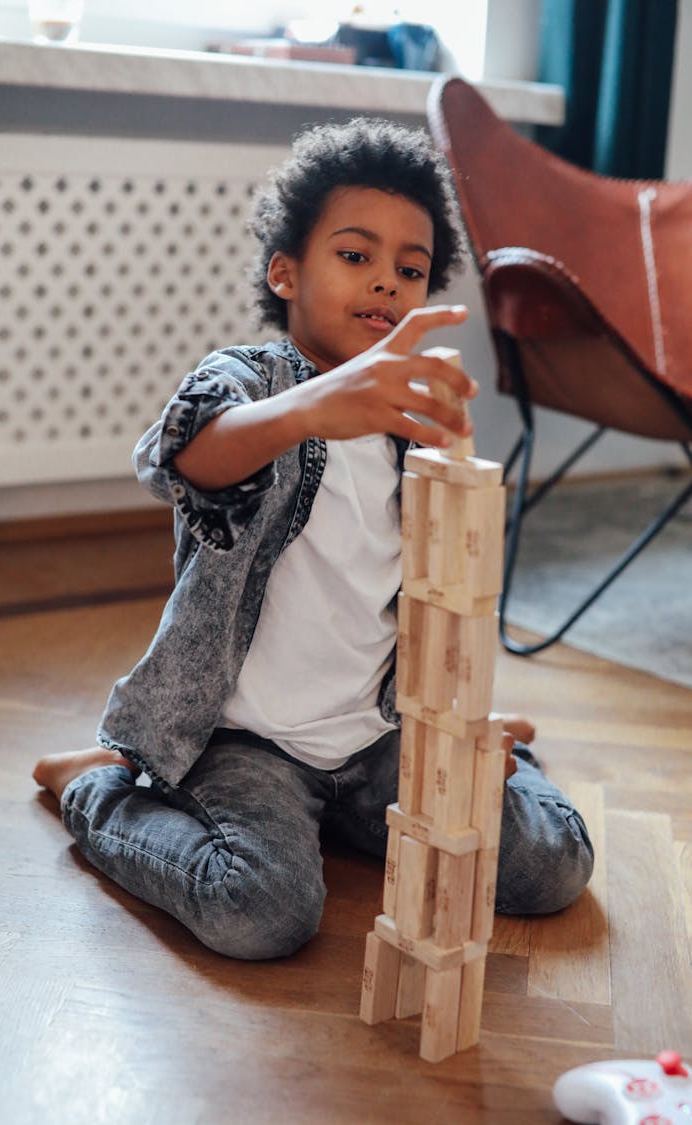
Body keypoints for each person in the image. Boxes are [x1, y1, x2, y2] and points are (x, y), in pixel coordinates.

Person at [33, 118, 594, 960]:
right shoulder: (252, 384)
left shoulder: (413, 423)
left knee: (554, 867)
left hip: (375, 732)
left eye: (410, 269)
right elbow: (180, 452)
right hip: (243, 741)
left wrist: (460, 721)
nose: (385, 283)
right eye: (356, 255)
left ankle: (503, 743)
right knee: (260, 912)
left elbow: (450, 581)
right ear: (285, 272)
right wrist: (315, 407)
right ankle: (97, 787)